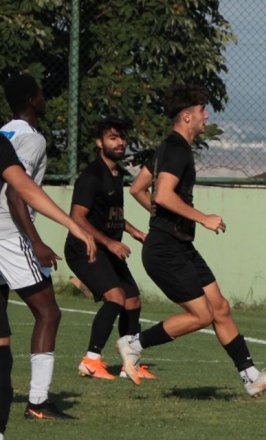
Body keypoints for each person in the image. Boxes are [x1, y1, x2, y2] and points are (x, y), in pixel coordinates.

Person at [115, 85, 266, 397]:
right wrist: (201, 217)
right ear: (187, 116)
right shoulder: (176, 149)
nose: (205, 116)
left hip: (179, 244)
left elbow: (138, 189)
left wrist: (165, 218)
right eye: (201, 111)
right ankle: (134, 344)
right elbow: (163, 194)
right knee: (202, 315)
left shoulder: (168, 147)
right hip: (165, 249)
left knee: (220, 307)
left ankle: (252, 377)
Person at [0, 73, 96, 422]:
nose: (45, 97)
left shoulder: (5, 132)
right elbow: (16, 192)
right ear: (31, 100)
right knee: (49, 313)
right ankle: (38, 402)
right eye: (41, 93)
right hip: (10, 236)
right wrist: (36, 241)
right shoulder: (32, 139)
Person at [65, 117, 152, 381]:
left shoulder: (117, 174)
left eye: (121, 138)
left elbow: (111, 216)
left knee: (132, 300)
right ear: (99, 143)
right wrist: (111, 242)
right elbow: (77, 217)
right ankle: (91, 361)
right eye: (113, 138)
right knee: (115, 297)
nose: (120, 142)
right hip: (85, 248)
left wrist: (135, 232)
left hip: (108, 249)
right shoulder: (92, 176)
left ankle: (129, 363)